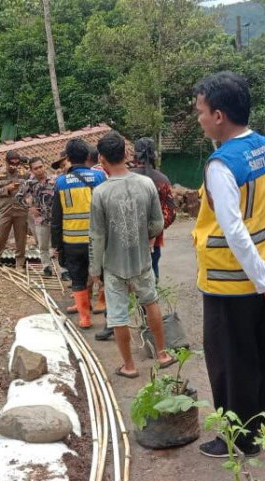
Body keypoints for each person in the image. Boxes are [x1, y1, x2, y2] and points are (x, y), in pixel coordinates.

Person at [192, 71, 265, 457]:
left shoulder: (222, 164)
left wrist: (264, 276)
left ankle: (240, 438)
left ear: (219, 115)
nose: (199, 118)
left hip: (231, 282)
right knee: (262, 352)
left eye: (201, 111)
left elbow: (234, 231)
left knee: (230, 360)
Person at [88, 131, 175, 377]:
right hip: (142, 260)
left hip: (113, 265)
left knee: (118, 315)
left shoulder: (101, 193)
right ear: (126, 154)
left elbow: (97, 235)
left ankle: (129, 366)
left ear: (101, 159)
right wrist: (143, 237)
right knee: (151, 302)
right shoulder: (146, 184)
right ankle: (162, 354)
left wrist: (95, 269)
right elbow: (157, 223)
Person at [51, 139, 106, 328]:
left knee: (77, 277)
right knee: (105, 276)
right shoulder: (99, 178)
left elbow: (56, 218)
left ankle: (85, 318)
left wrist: (57, 245)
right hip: (97, 240)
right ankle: (109, 315)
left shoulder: (60, 182)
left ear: (68, 158)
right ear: (88, 157)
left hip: (72, 241)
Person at [130, 137, 177, 280]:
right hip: (154, 241)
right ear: (154, 155)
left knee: (129, 278)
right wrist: (155, 231)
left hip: (127, 240)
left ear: (134, 155)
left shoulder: (125, 178)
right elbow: (171, 213)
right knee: (151, 274)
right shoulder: (162, 180)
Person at [0, 150, 31, 273]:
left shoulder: (25, 174)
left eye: (17, 163)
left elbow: (30, 190)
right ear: (6, 162)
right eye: (12, 163)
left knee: (21, 239)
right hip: (5, 211)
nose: (14, 166)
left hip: (21, 211)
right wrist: (6, 189)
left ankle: (19, 265)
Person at [16, 157, 56, 276]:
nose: (39, 170)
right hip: (40, 219)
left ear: (44, 166)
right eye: (36, 168)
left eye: (41, 167)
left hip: (56, 219)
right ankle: (47, 267)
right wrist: (30, 208)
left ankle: (64, 270)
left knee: (58, 246)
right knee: (43, 245)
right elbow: (18, 197)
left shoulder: (54, 181)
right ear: (32, 170)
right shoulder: (29, 183)